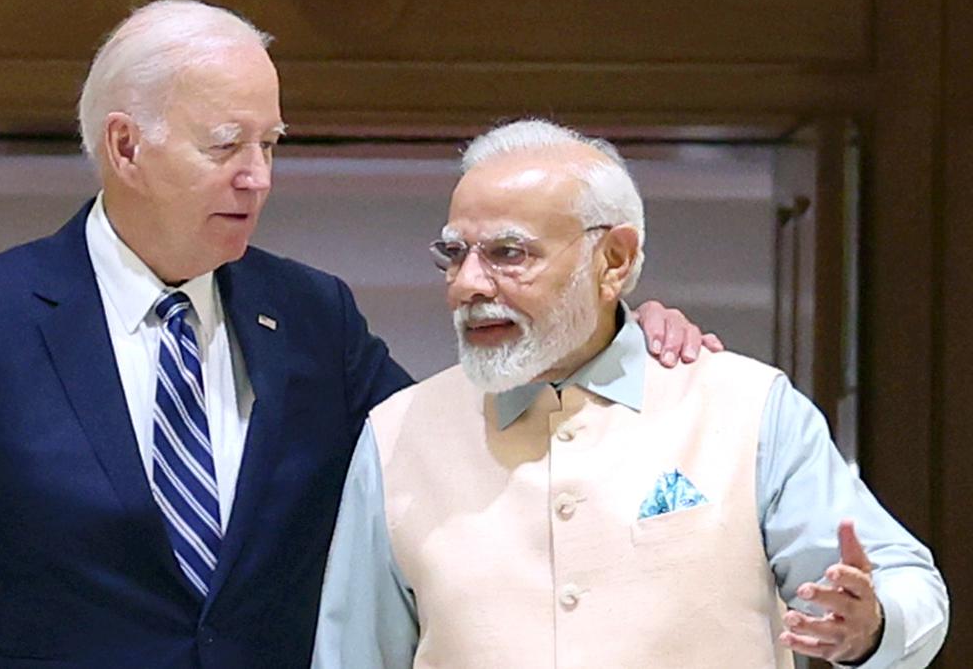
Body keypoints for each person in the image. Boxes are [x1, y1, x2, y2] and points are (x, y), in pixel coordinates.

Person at [0, 1, 712, 668]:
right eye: (227, 147)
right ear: (126, 146)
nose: (259, 177)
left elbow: (468, 442)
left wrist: (608, 334)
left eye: (271, 143)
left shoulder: (312, 317)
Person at [312, 119, 949, 669]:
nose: (468, 284)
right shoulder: (396, 434)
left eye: (509, 253)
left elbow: (907, 584)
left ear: (614, 260)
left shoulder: (745, 406)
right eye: (454, 254)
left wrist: (871, 627)